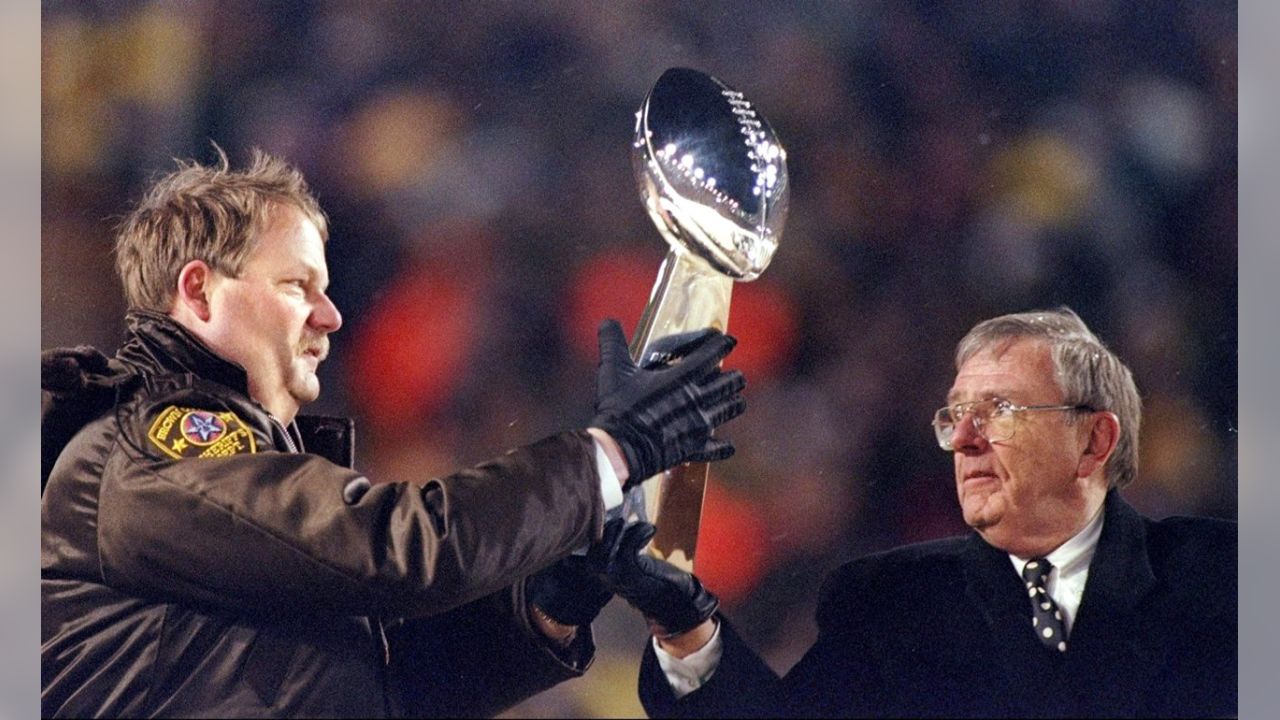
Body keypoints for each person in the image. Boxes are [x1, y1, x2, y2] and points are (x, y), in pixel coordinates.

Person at [40, 147, 747, 718]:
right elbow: (396, 550)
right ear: (198, 291)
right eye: (297, 286)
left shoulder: (226, 489)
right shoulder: (155, 449)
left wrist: (544, 609)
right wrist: (608, 451)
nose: (331, 315)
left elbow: (391, 690)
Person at [595, 307, 1236, 718]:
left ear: (1094, 441)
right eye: (955, 416)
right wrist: (687, 629)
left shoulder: (1228, 583)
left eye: (1001, 411)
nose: (964, 440)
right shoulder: (888, 604)